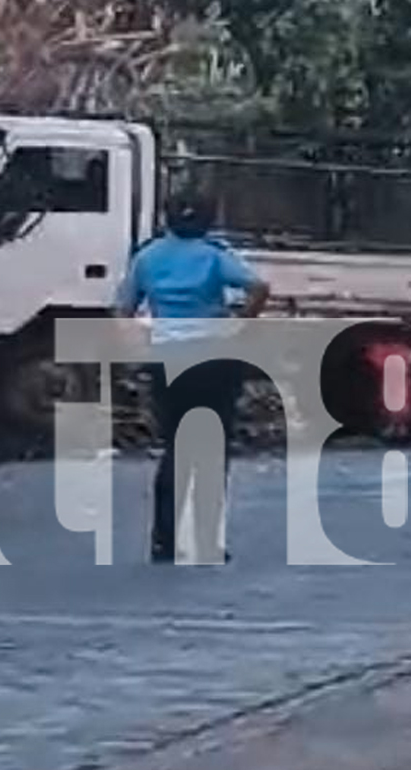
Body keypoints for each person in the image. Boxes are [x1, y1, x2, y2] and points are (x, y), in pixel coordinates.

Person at [116, 188, 271, 564]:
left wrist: (144, 341)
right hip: (214, 358)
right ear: (207, 219)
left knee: (174, 447)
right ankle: (206, 540)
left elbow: (122, 310)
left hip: (168, 359)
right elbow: (258, 287)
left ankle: (163, 542)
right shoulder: (214, 256)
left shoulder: (148, 257)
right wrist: (239, 325)